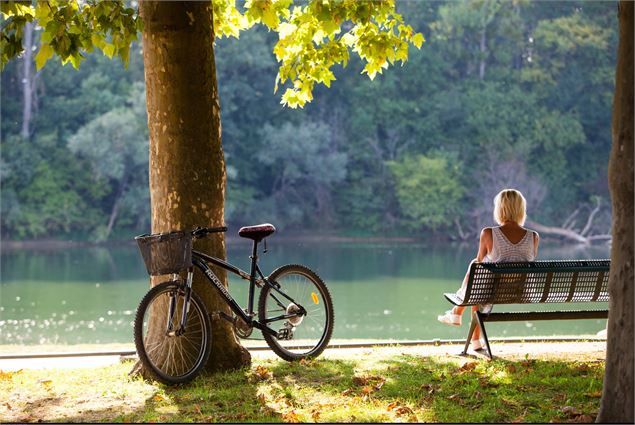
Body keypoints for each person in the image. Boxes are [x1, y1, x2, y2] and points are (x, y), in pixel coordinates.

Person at [437, 188, 539, 351]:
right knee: (481, 277)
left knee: (478, 271)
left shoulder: (488, 233)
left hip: (490, 290)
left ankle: (457, 311)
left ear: (500, 208)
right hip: (520, 291)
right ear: (521, 209)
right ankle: (475, 341)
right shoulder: (533, 236)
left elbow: (479, 264)